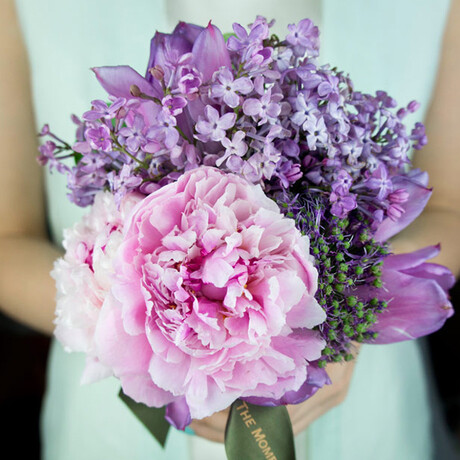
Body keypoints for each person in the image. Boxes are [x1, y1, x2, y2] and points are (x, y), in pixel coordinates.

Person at [0, 0, 459, 458]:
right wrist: (149, 339)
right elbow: (7, 240)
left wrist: (345, 323)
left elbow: (450, 208)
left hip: (364, 413)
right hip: (116, 431)